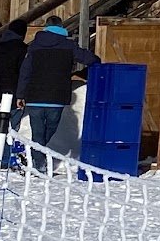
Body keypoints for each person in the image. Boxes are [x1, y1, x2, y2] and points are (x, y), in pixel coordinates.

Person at [14, 20, 97, 158]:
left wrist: (20, 95)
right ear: (61, 28)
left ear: (46, 28)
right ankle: (37, 161)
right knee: (49, 131)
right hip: (56, 98)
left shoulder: (34, 46)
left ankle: (36, 159)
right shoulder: (68, 46)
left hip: (35, 97)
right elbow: (90, 59)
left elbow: (25, 72)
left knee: (38, 134)